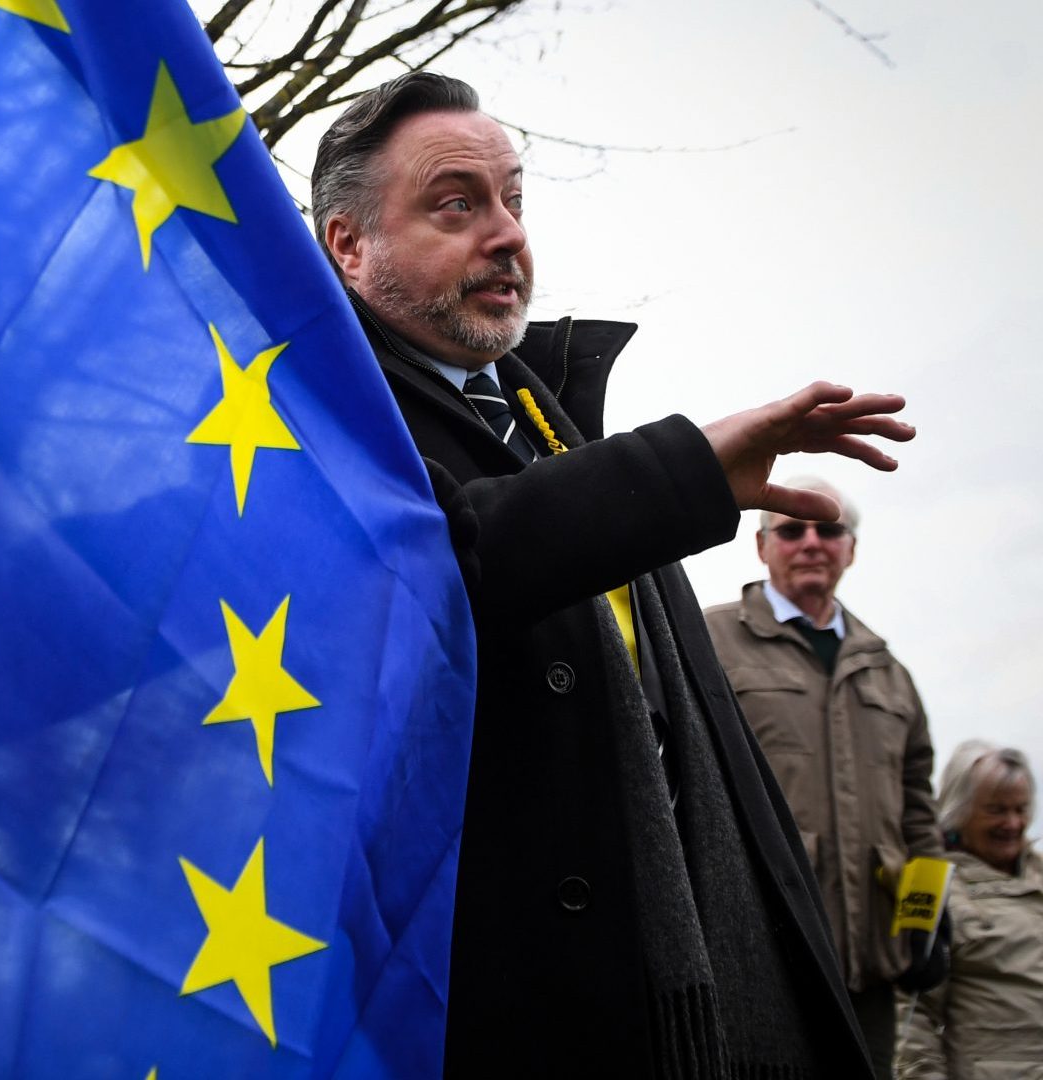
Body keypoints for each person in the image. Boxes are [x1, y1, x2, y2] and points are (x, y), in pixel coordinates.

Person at [312, 72, 913, 1077]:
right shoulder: (306, 428)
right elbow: (440, 559)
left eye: (513, 200)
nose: (506, 236)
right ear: (348, 244)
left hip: (673, 990)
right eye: (456, 204)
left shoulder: (555, 422)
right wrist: (682, 469)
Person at [704, 479, 945, 1076]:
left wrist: (923, 923)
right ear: (762, 547)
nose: (811, 542)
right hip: (762, 954)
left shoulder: (890, 673)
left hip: (873, 964)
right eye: (791, 529)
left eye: (829, 529)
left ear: (851, 549)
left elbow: (920, 817)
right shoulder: (707, 641)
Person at [896, 741, 1041, 1078]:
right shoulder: (929, 883)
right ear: (957, 811)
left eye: (1021, 809)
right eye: (996, 810)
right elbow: (910, 1013)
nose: (1013, 823)